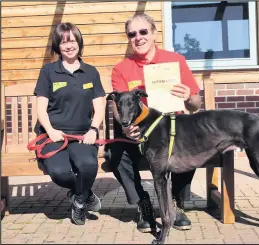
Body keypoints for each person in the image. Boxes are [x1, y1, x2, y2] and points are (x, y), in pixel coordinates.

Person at [106, 13, 201, 233]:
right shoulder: (121, 69)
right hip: (139, 133)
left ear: (154, 33)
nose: (138, 37)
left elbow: (195, 105)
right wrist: (126, 127)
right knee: (114, 153)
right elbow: (118, 109)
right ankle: (143, 204)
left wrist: (189, 96)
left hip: (171, 132)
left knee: (191, 143)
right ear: (128, 38)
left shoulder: (175, 60)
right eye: (132, 34)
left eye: (143, 32)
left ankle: (174, 202)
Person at [34, 22, 106, 225]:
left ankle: (79, 202)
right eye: (63, 42)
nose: (69, 46)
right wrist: (50, 130)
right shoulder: (49, 71)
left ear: (79, 42)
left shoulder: (91, 72)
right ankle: (84, 194)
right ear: (58, 46)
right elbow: (41, 108)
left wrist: (93, 129)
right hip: (54, 134)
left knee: (88, 165)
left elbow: (99, 105)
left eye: (72, 41)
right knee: (59, 172)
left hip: (83, 134)